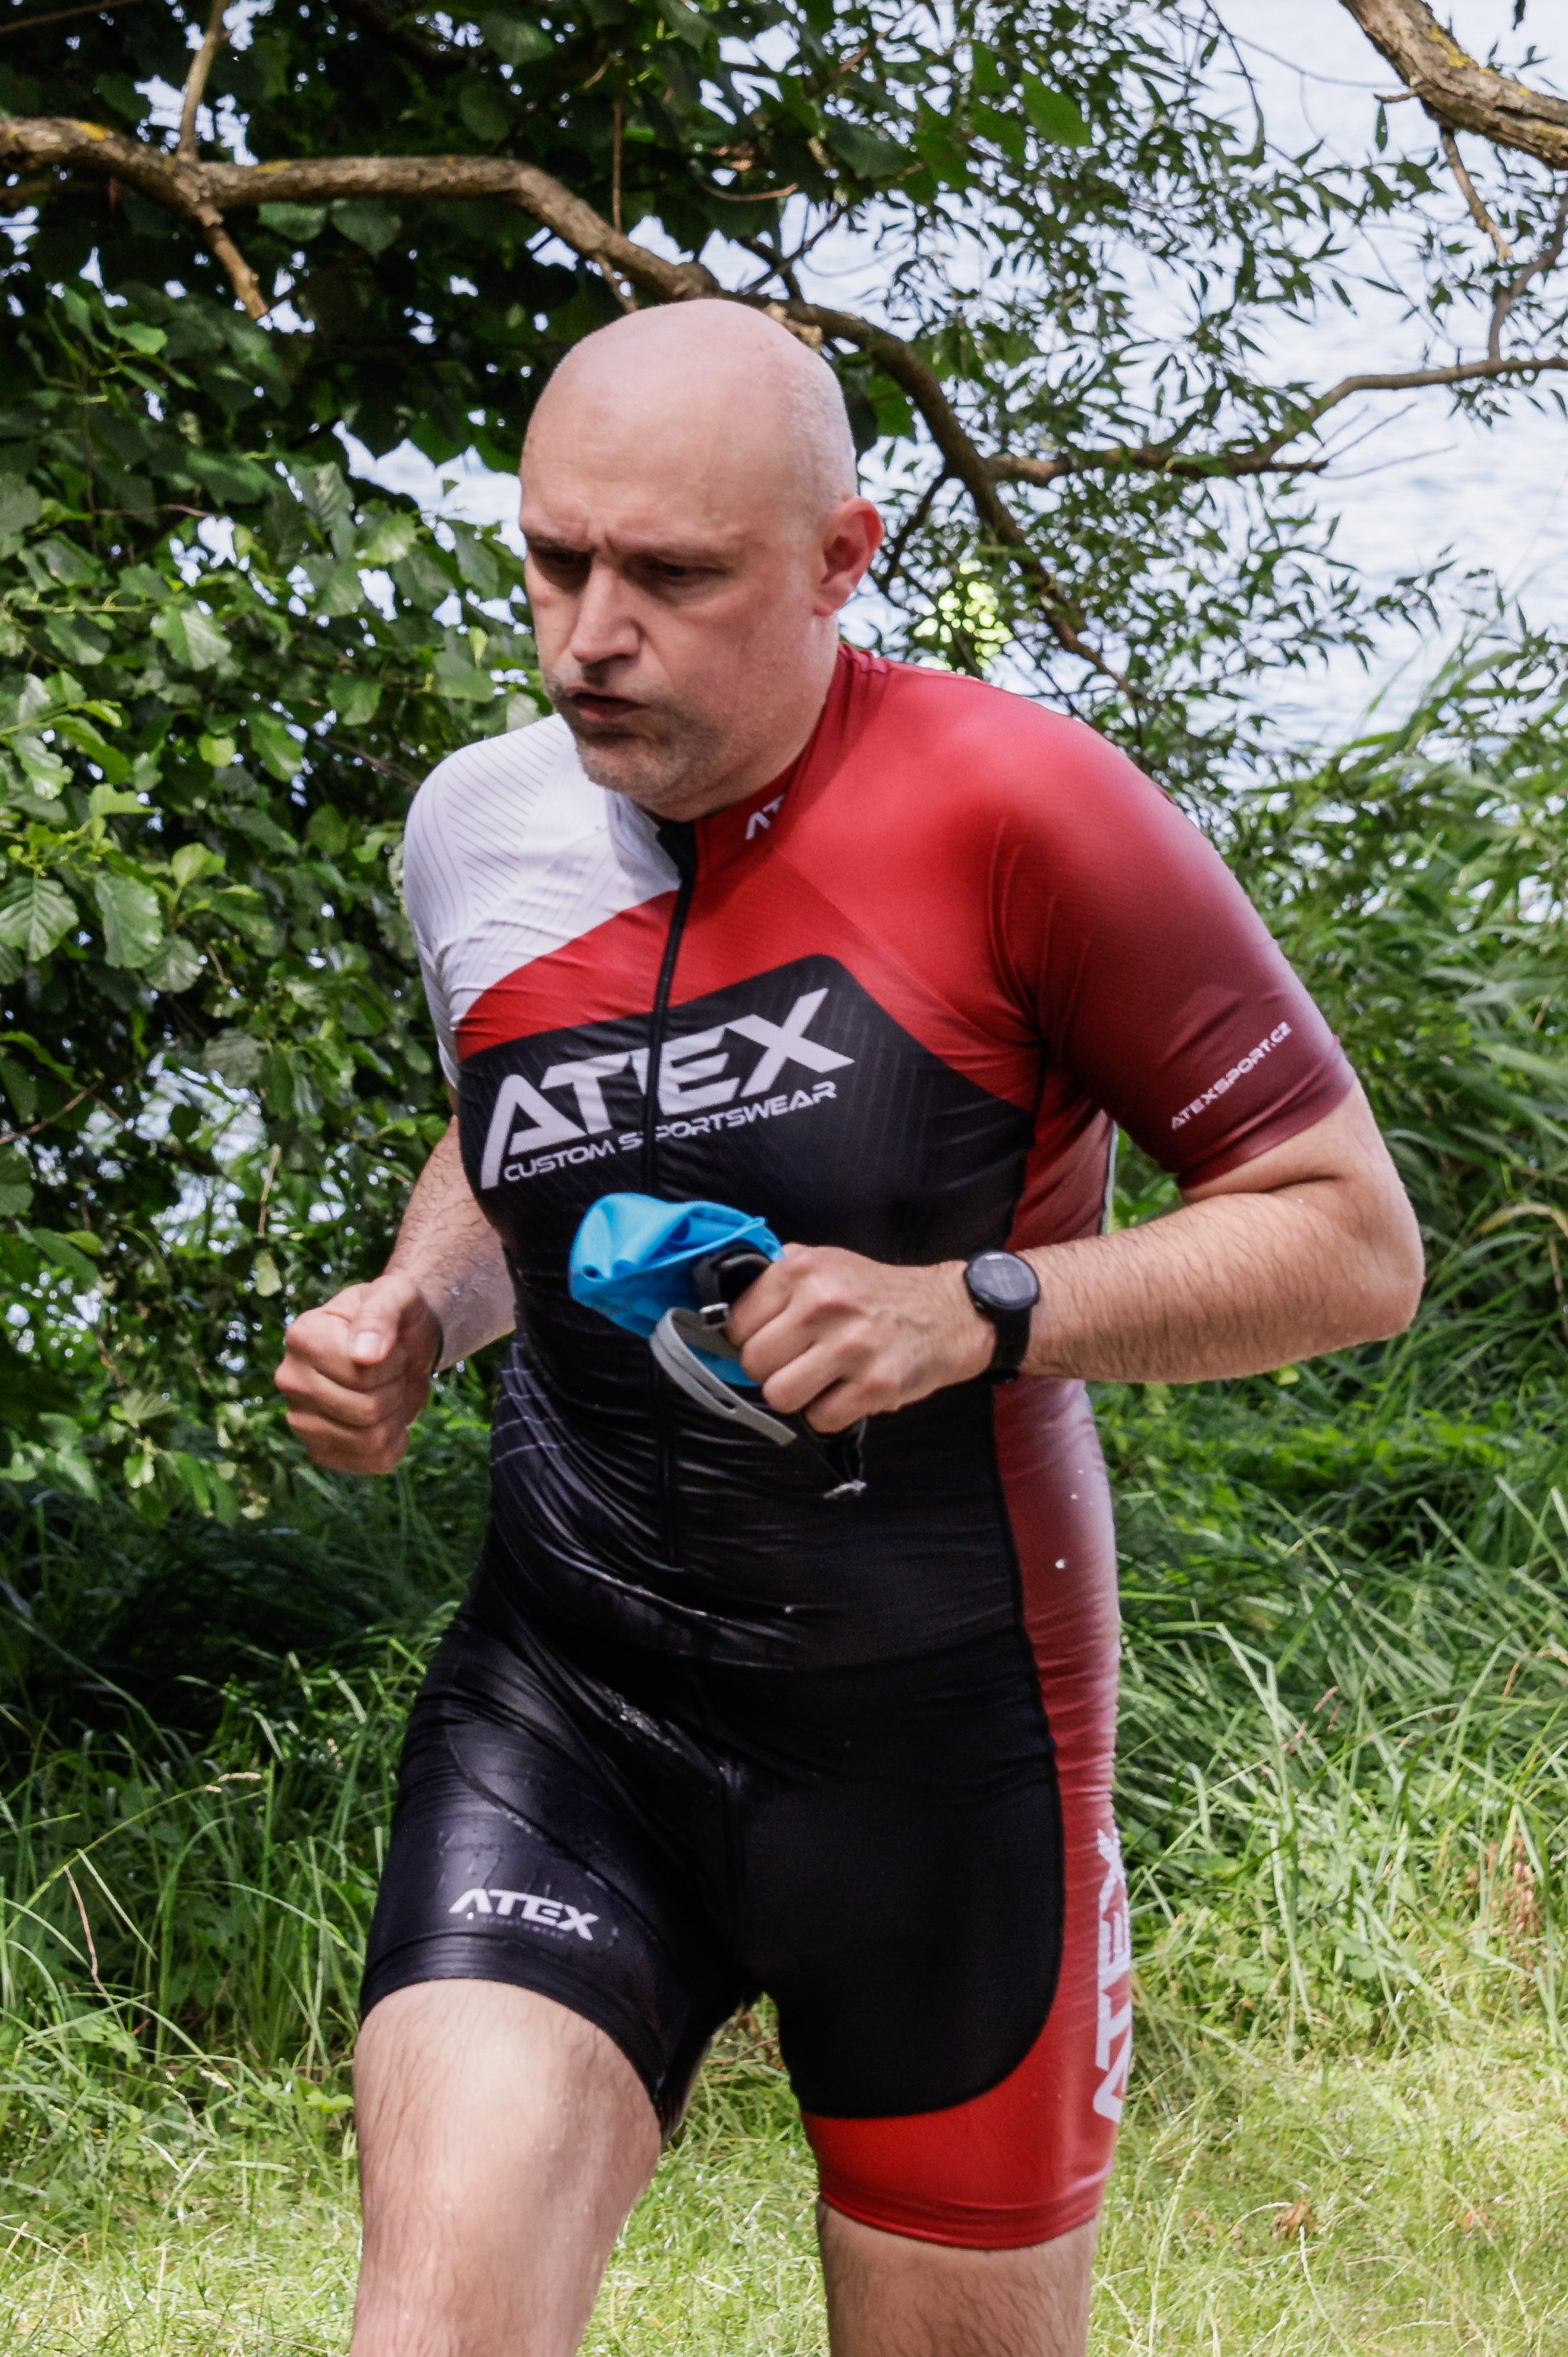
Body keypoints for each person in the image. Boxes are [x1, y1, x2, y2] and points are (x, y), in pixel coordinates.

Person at [274, 300, 1422, 2357]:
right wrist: (423, 1310)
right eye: (553, 562)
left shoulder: (1019, 809)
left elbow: (1350, 1241)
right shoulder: (477, 823)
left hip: (942, 1740)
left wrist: (979, 1308)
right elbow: (516, 1123)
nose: (589, 637)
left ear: (839, 559)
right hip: (568, 1705)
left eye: (671, 575)